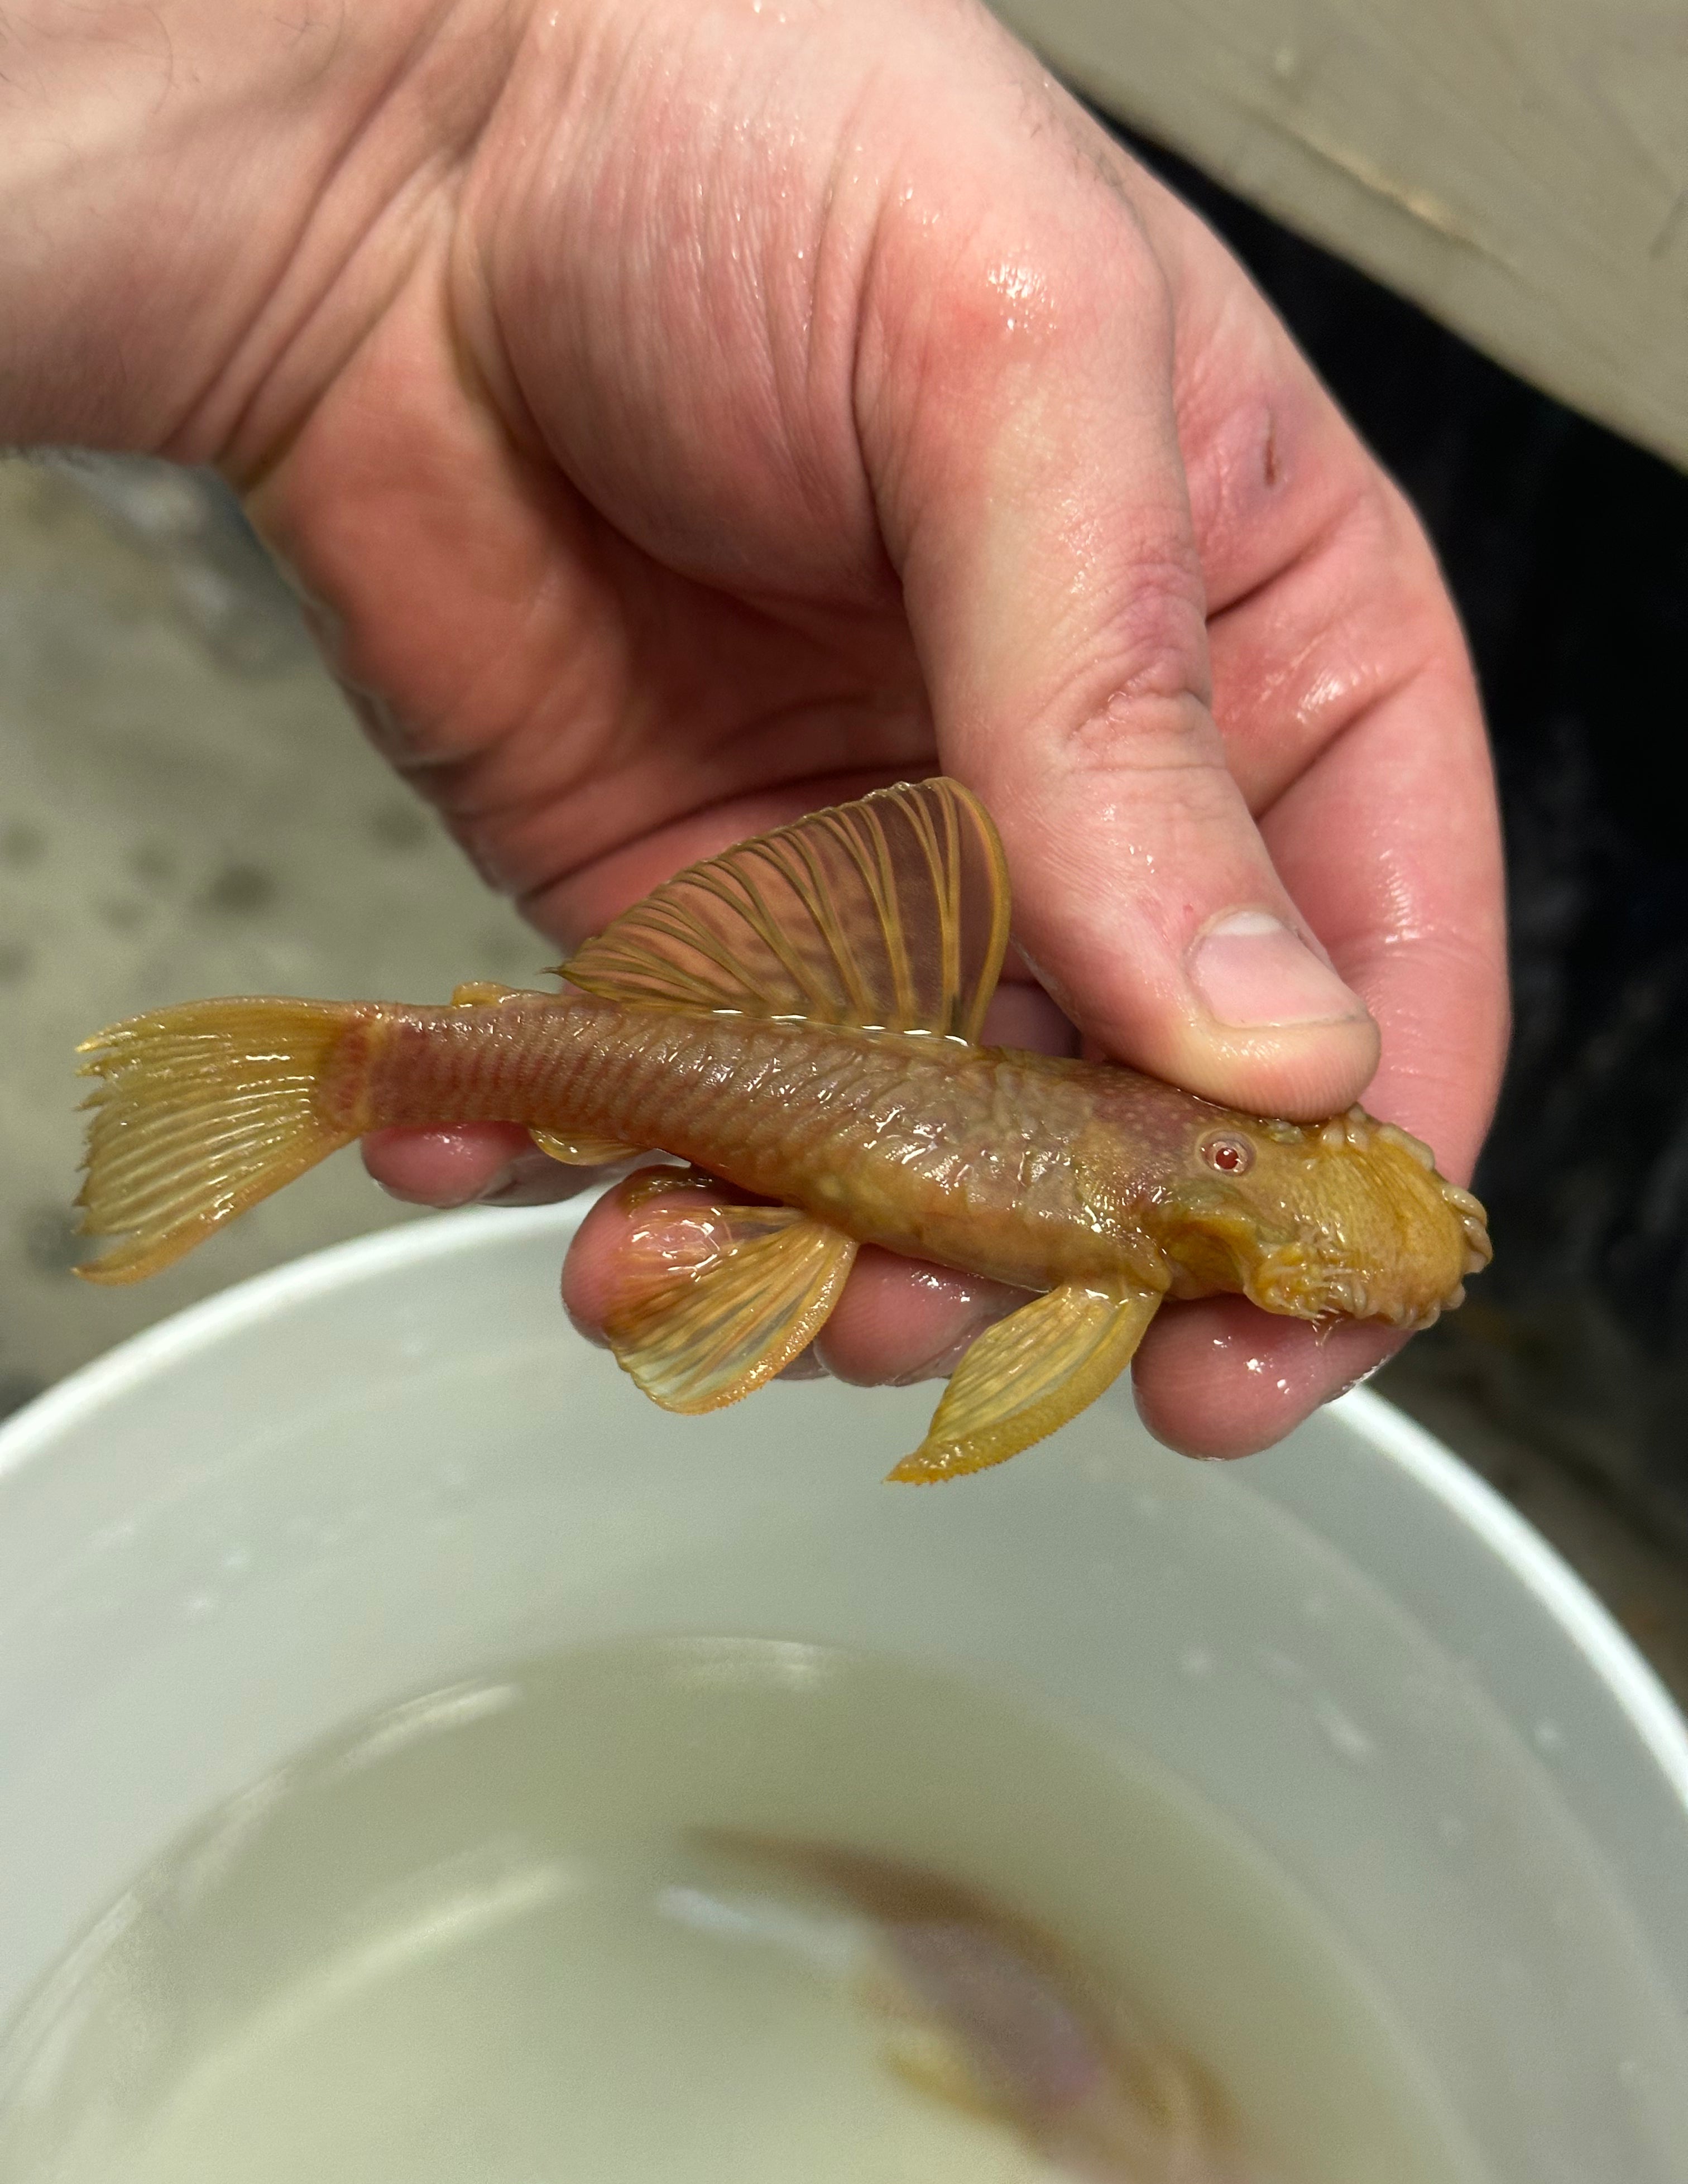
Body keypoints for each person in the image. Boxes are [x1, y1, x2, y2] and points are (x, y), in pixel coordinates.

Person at [2, 0, 1506, 1456]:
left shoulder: (1152, 1225)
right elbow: (1049, 1357)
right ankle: (361, 1076)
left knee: (746, 1249)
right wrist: (481, 78)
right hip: (856, 1053)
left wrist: (451, 98)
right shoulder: (1136, 1244)